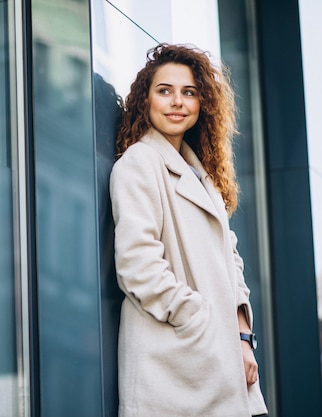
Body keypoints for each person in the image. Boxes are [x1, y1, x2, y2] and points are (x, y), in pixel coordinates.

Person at [109, 43, 269, 416]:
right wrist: (200, 321)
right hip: (176, 369)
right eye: (164, 91)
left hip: (219, 359)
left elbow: (231, 258)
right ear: (145, 101)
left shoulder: (202, 176)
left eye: (189, 92)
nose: (177, 101)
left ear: (202, 105)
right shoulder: (139, 164)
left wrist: (242, 336)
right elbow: (137, 265)